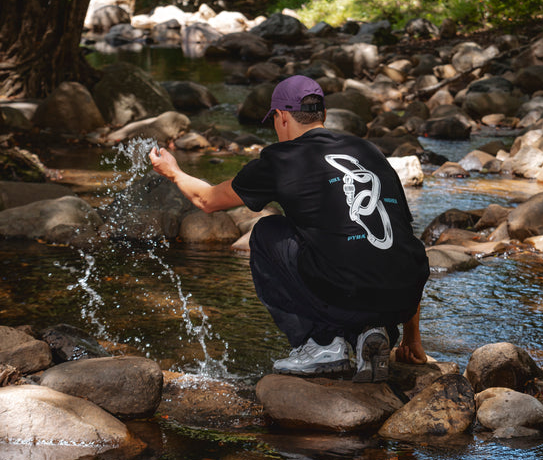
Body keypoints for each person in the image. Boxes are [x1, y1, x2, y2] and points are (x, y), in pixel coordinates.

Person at [149, 74, 429, 380]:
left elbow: (207, 200)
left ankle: (322, 344)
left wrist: (174, 172)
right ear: (322, 114)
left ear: (282, 117)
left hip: (350, 294)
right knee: (358, 248)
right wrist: (411, 336)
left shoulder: (282, 159)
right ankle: (368, 333)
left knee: (267, 233)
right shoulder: (369, 151)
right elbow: (405, 241)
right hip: (398, 301)